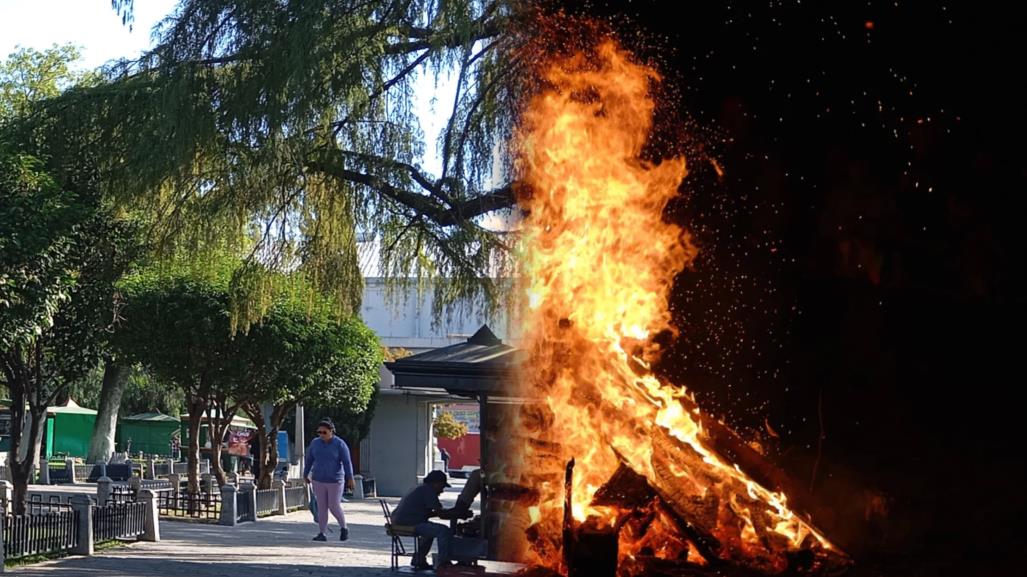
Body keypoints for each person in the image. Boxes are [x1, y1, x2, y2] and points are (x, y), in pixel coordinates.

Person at [391, 470, 465, 571]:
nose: (442, 491)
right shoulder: (428, 491)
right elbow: (442, 515)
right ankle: (443, 563)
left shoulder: (420, 487)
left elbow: (428, 513)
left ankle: (419, 560)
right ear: (435, 483)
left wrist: (451, 512)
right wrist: (459, 513)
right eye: (442, 486)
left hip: (403, 520)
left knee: (430, 531)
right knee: (443, 531)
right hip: (409, 522)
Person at [303, 419, 355, 542]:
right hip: (318, 479)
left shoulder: (339, 444)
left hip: (335, 480)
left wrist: (350, 478)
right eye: (319, 432)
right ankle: (322, 532)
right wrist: (305, 474)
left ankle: (344, 528)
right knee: (321, 507)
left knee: (334, 505)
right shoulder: (315, 443)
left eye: (324, 432)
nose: (321, 435)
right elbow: (309, 459)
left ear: (331, 431)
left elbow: (347, 462)